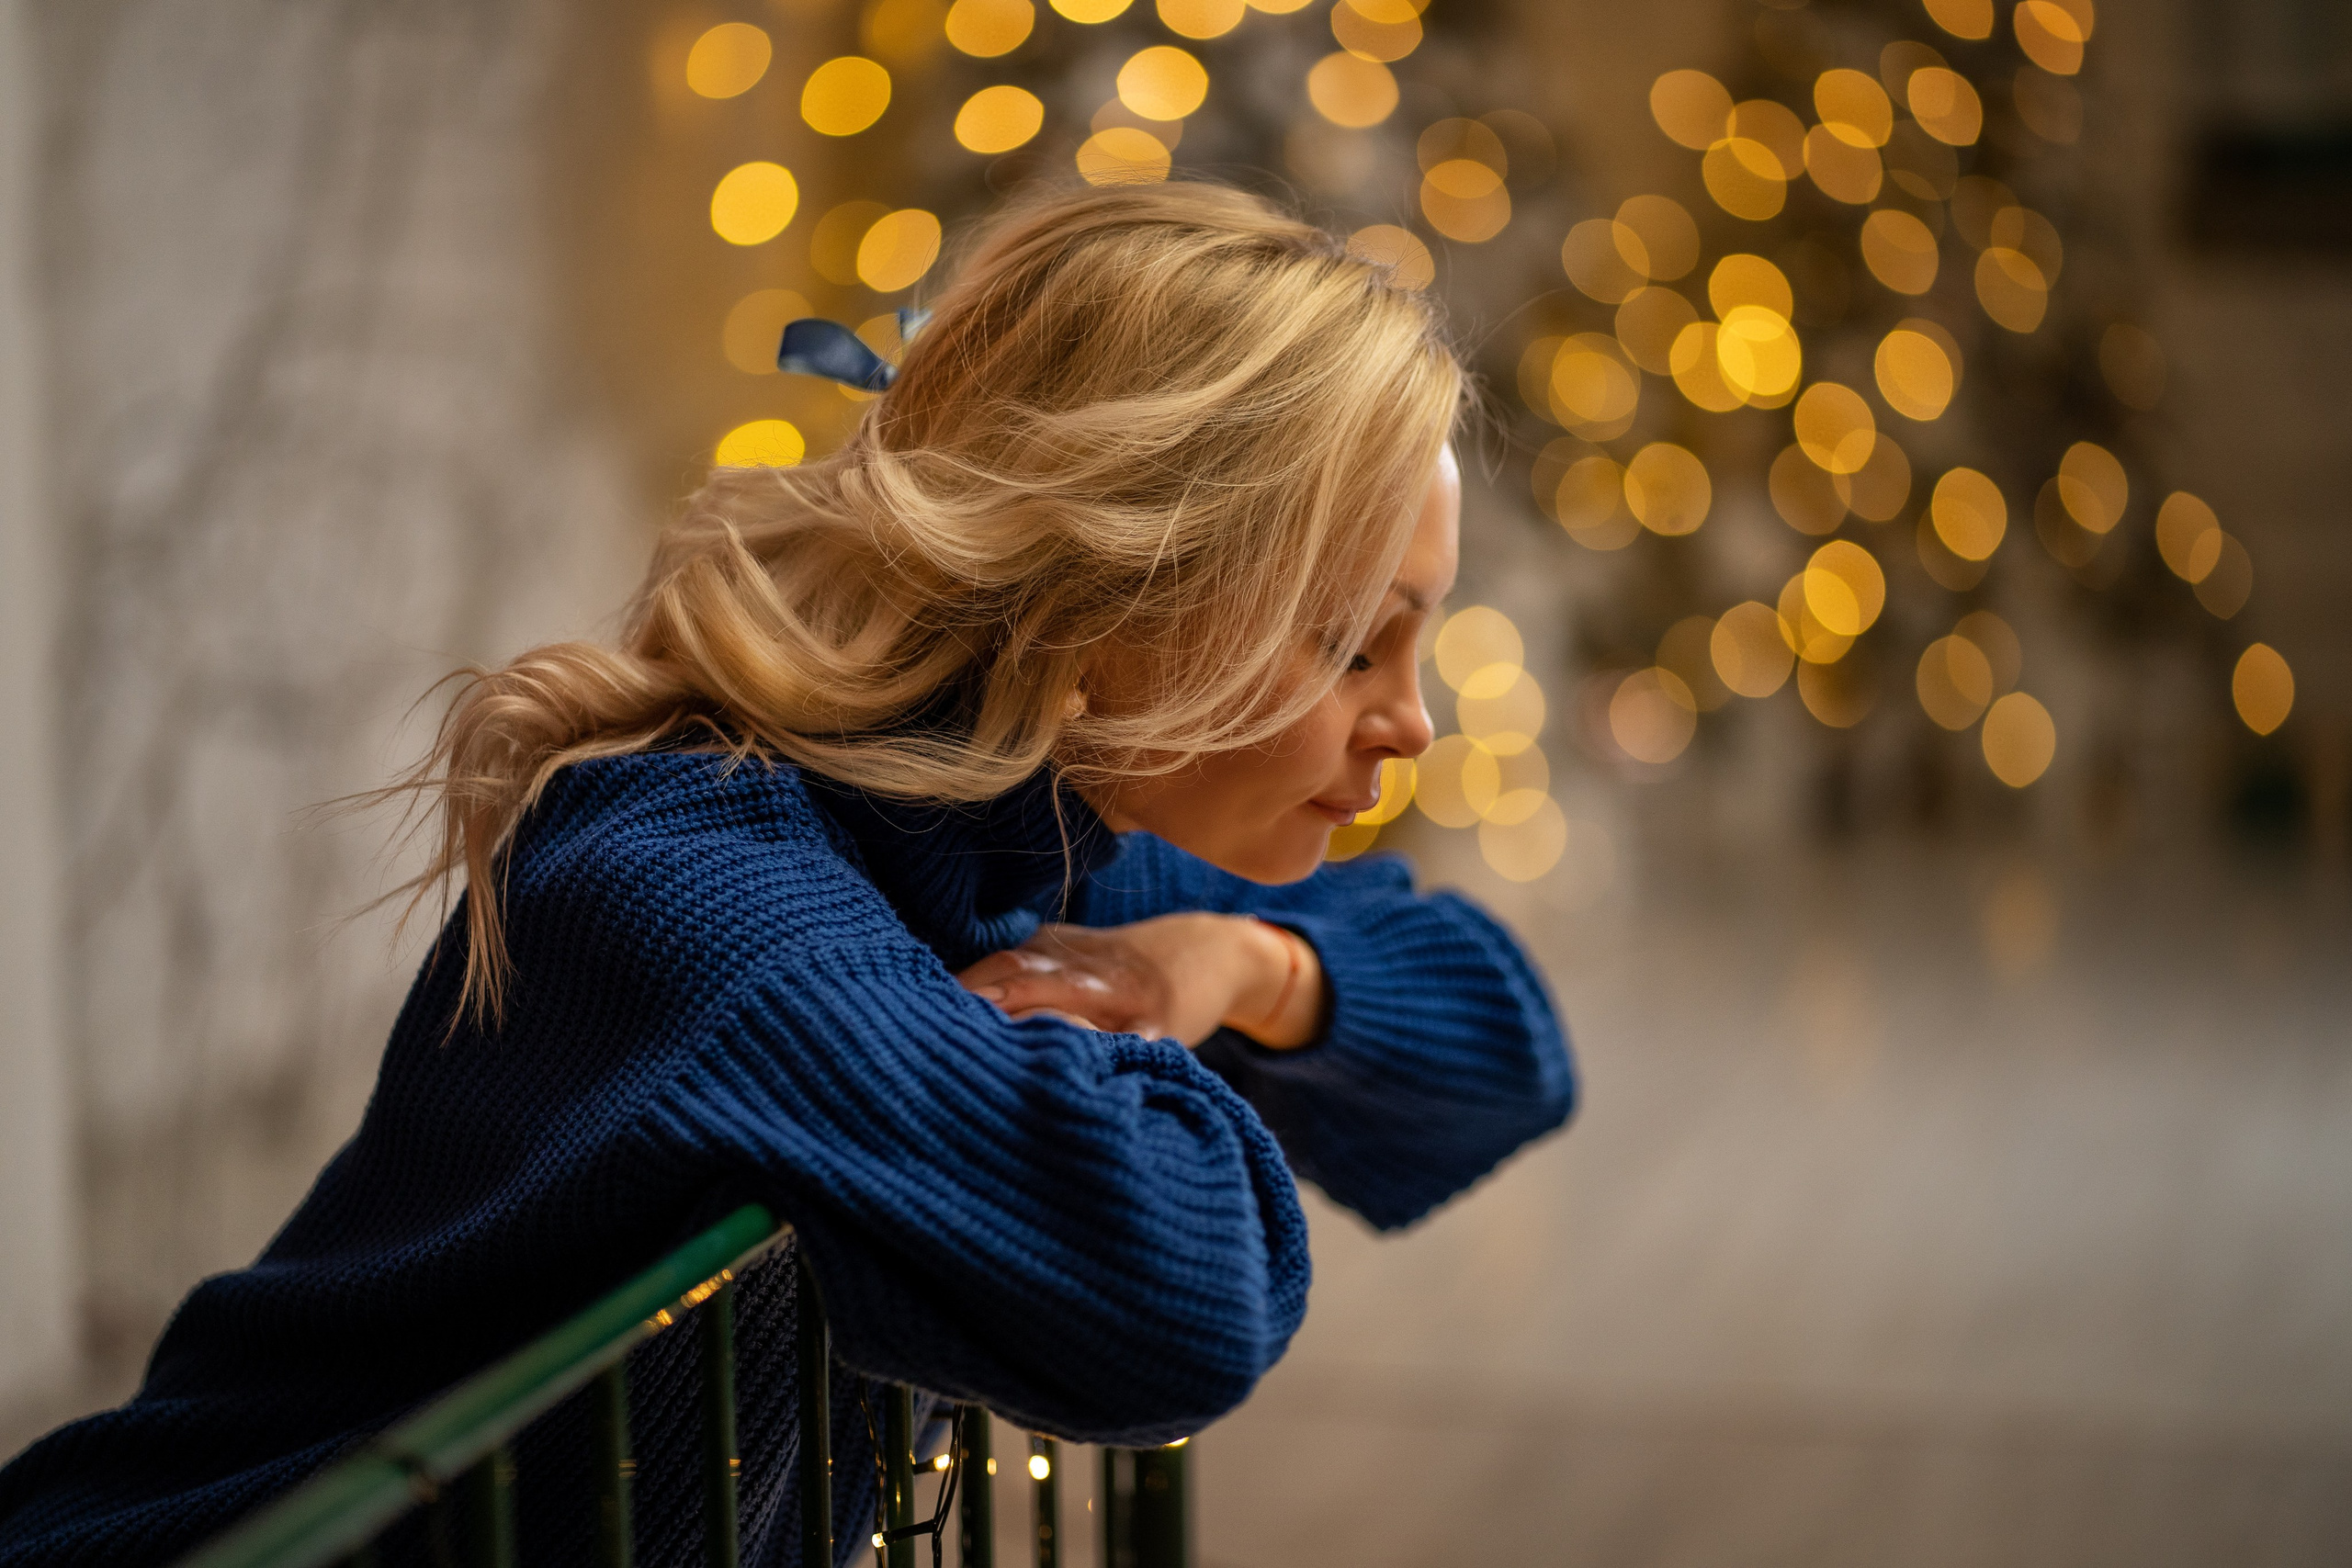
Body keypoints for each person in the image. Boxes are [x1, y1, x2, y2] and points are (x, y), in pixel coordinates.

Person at [0, 181, 1573, 1566]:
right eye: (1351, 639)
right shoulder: (698, 880)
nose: (1413, 722)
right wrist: (1149, 1018)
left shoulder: (1028, 848)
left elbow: (1509, 1050)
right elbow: (1181, 1289)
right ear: (1117, 600)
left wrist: (1232, 970)